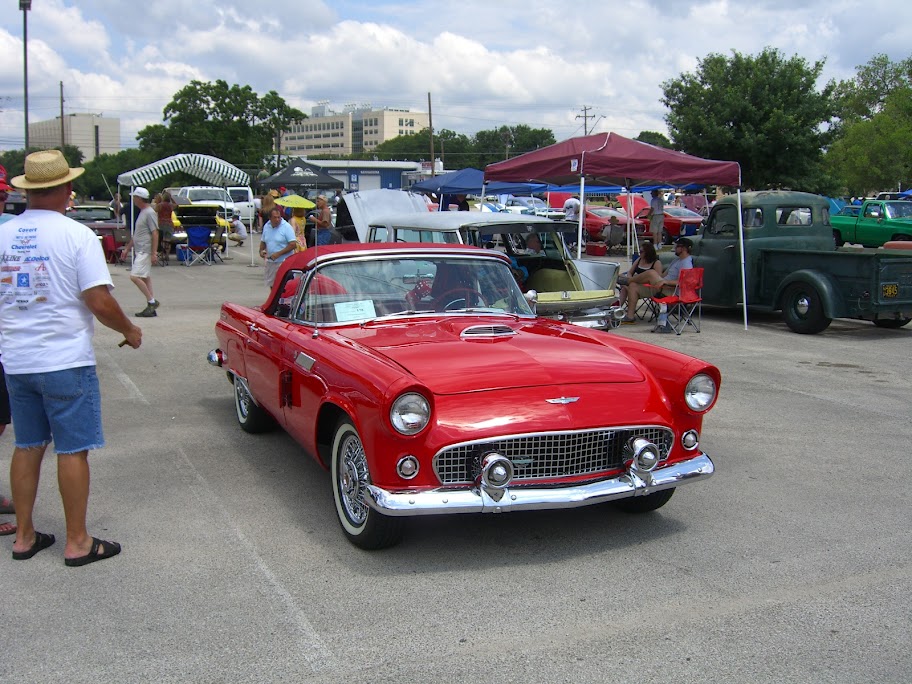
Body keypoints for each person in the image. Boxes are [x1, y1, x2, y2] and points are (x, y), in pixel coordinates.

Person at [1, 149, 142, 565]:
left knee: (27, 445)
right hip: (64, 358)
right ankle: (77, 541)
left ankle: (24, 536)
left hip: (17, 360)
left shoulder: (4, 234)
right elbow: (98, 299)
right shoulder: (76, 235)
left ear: (27, 190)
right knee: (72, 450)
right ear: (65, 189)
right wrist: (129, 330)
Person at [623, 237, 694, 323]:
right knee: (633, 286)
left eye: (676, 246)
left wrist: (665, 281)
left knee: (651, 273)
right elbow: (663, 275)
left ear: (683, 248)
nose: (674, 248)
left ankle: (627, 280)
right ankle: (630, 317)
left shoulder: (686, 263)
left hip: (671, 290)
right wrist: (660, 279)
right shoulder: (677, 260)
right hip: (661, 287)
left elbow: (684, 283)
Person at [119, 187, 160, 317]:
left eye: (134, 197)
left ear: (139, 198)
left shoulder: (149, 213)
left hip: (145, 250)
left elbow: (155, 233)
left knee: (135, 276)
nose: (133, 200)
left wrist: (154, 252)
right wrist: (127, 248)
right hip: (141, 248)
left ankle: (151, 301)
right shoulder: (143, 212)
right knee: (145, 277)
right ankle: (151, 305)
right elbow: (137, 235)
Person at [616, 241, 662, 310]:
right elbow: (630, 272)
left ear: (648, 252)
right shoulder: (639, 259)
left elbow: (657, 279)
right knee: (624, 285)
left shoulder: (656, 263)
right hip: (634, 282)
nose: (639, 253)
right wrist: (630, 278)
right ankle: (617, 308)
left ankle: (618, 309)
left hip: (647, 286)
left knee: (625, 286)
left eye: (641, 252)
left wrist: (630, 280)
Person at [259, 206, 297, 288]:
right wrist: (261, 251)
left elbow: (293, 244)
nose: (277, 220)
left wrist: (279, 254)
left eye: (279, 217)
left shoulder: (286, 227)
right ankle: (275, 300)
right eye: (274, 217)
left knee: (283, 285)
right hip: (271, 261)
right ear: (269, 218)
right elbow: (263, 240)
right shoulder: (267, 226)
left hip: (283, 261)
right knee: (272, 285)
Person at [156, 191, 176, 264]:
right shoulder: (171, 206)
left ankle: (162, 255)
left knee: (161, 240)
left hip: (161, 223)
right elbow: (176, 204)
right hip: (169, 223)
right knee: (167, 241)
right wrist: (172, 198)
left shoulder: (160, 205)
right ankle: (167, 255)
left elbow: (155, 211)